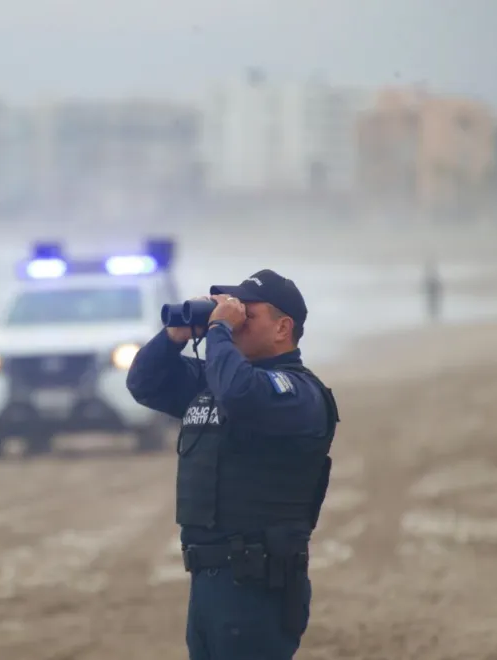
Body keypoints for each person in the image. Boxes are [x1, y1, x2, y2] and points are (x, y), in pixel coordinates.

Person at [125, 269, 340, 660]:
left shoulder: (297, 393)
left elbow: (242, 395)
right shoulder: (218, 384)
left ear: (282, 328)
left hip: (258, 583)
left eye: (246, 315)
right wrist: (176, 338)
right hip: (209, 581)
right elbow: (145, 382)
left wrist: (221, 330)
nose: (233, 320)